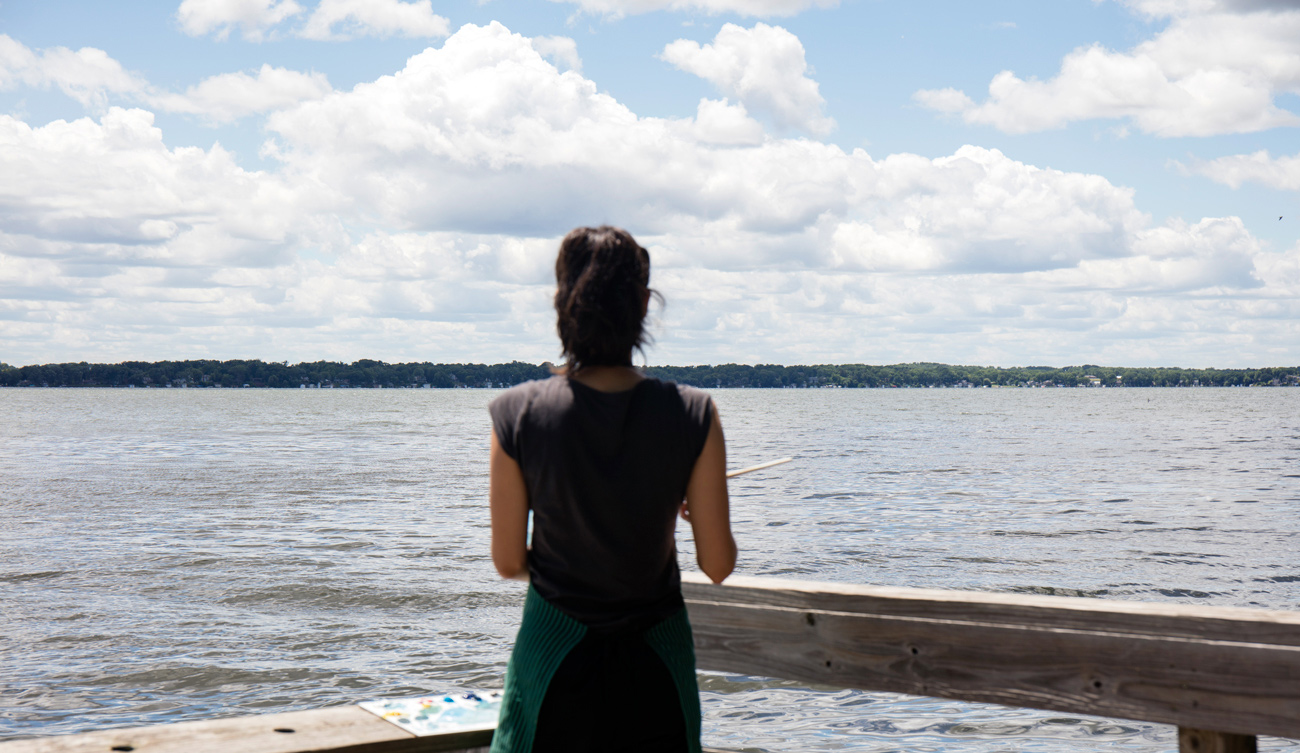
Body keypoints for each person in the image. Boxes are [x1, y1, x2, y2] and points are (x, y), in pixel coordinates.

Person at [487, 225, 735, 753]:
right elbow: (717, 564)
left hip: (554, 657)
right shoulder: (693, 414)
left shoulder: (518, 413)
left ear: (562, 302)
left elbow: (508, 562)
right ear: (644, 305)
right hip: (656, 665)